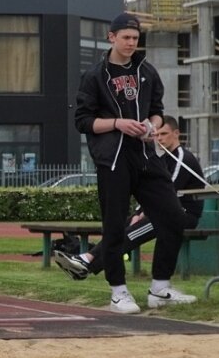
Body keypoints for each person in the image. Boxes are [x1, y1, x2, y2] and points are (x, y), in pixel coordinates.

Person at [74, 13, 196, 314]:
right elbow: (83, 121)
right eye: (125, 37)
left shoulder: (147, 72)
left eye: (135, 38)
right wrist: (118, 123)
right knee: (114, 227)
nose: (131, 43)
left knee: (173, 217)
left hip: (146, 156)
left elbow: (157, 111)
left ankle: (160, 289)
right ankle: (118, 292)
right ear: (111, 37)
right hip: (114, 160)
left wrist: (152, 126)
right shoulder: (94, 76)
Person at [55, 116, 205, 282]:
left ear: (176, 133)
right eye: (157, 134)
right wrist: (139, 212)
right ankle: (87, 259)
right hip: (165, 211)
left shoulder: (183, 157)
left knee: (134, 232)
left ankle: (87, 262)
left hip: (183, 215)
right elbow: (152, 192)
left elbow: (167, 192)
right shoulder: (161, 158)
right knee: (122, 227)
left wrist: (145, 212)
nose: (159, 138)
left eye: (164, 133)